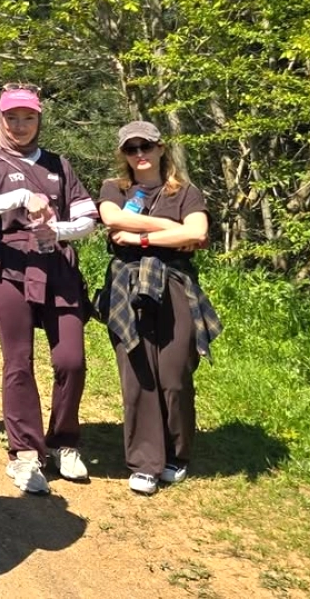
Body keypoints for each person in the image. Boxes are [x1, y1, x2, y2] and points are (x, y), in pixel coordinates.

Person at [0, 85, 98, 494]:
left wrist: (59, 230)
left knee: (71, 359)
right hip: (10, 268)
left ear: (39, 120)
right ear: (0, 119)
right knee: (18, 362)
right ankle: (25, 453)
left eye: (28, 118)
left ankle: (63, 441)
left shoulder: (59, 165)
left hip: (58, 266)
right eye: (12, 117)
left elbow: (88, 216)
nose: (20, 125)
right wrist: (19, 196)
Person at [97, 121, 222, 496]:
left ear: (160, 148)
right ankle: (145, 461)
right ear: (123, 154)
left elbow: (197, 232)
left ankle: (177, 454)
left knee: (174, 372)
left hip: (175, 285)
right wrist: (171, 228)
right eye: (131, 149)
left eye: (146, 147)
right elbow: (112, 218)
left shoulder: (185, 192)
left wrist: (142, 235)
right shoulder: (114, 189)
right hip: (126, 284)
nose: (139, 155)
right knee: (137, 373)